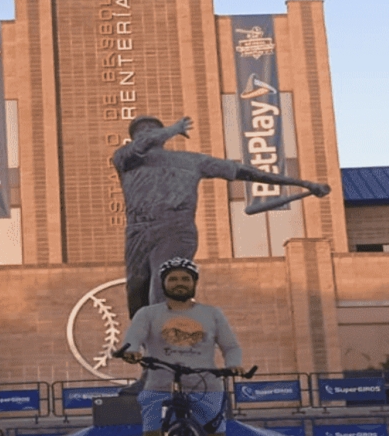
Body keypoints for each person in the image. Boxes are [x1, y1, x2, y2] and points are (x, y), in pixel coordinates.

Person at [114, 115, 329, 318]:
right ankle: (141, 338)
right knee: (136, 287)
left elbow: (245, 171)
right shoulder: (126, 159)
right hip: (139, 229)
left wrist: (302, 184)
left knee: (164, 283)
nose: (146, 134)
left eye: (151, 129)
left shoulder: (192, 161)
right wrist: (172, 130)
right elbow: (141, 146)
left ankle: (166, 341)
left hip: (175, 227)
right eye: (140, 131)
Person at [111, 257, 264, 436]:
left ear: (194, 283)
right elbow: (133, 336)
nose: (179, 283)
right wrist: (132, 350)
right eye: (173, 279)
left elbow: (231, 346)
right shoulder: (148, 313)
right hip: (159, 385)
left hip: (206, 385)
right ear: (164, 284)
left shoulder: (211, 313)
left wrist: (233, 365)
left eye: (185, 279)